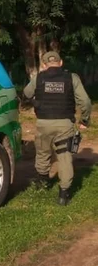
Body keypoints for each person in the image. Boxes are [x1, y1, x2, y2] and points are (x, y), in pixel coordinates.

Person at [23, 51, 92, 205]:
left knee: (42, 152)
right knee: (64, 157)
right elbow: (86, 102)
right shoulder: (71, 78)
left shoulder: (38, 78)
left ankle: (43, 183)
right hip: (64, 124)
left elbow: (26, 94)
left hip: (43, 123)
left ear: (45, 64)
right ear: (61, 63)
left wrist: (36, 102)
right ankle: (63, 194)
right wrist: (85, 120)